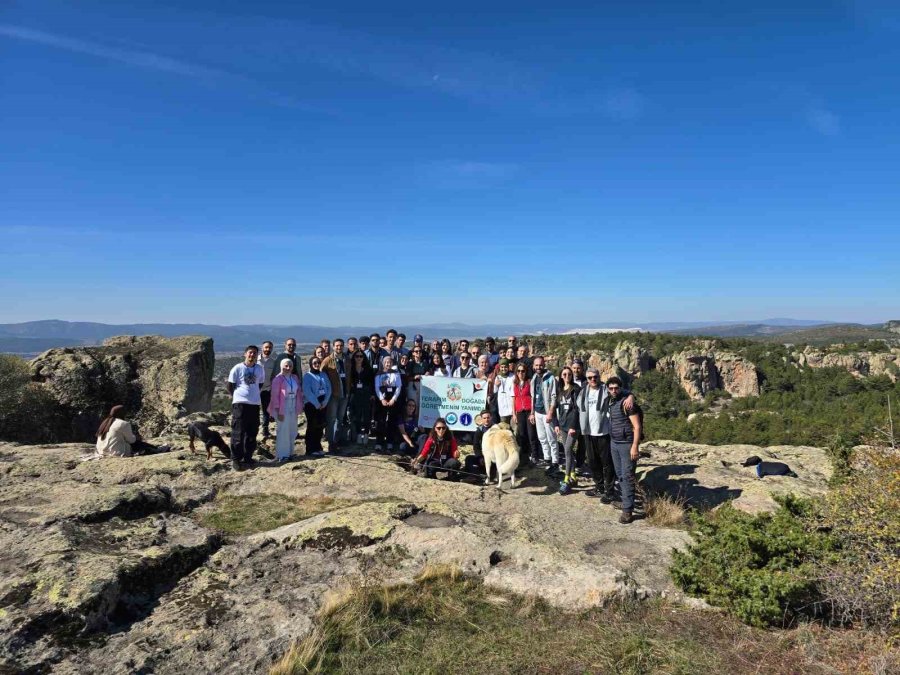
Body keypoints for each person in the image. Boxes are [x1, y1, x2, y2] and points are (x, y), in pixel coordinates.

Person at [577, 368, 636, 502]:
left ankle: (609, 491)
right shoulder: (583, 392)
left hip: (603, 432)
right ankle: (599, 487)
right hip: (588, 432)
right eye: (590, 378)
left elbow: (623, 392)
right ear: (587, 379)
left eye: (595, 377)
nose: (593, 380)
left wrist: (631, 396)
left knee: (607, 463)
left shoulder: (606, 389)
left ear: (599, 377)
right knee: (592, 462)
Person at [606, 376, 642, 523]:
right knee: (620, 474)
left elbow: (637, 427)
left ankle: (627, 511)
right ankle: (625, 502)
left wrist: (635, 446)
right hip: (614, 443)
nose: (614, 390)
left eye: (616, 388)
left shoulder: (627, 404)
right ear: (608, 389)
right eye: (611, 388)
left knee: (627, 476)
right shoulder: (611, 401)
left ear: (620, 388)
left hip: (627, 444)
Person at [227, 345, 265, 470]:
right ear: (245, 354)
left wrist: (252, 395)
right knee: (238, 432)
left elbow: (260, 384)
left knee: (252, 432)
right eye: (250, 353)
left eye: (254, 353)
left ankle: (248, 456)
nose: (252, 355)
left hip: (254, 404)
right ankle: (236, 459)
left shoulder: (259, 369)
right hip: (240, 404)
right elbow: (230, 386)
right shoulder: (237, 368)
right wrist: (239, 397)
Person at [94, 405, 167, 457]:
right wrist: (137, 437)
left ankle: (156, 448)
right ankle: (157, 449)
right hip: (115, 452)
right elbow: (131, 441)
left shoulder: (105, 422)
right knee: (137, 443)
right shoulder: (123, 423)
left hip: (101, 451)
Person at [268, 358, 303, 462]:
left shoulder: (295, 378)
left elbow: (299, 392)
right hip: (283, 406)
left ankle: (290, 452)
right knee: (283, 431)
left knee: (292, 430)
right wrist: (279, 411)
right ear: (281, 366)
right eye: (286, 366)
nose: (288, 368)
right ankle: (283, 455)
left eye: (290, 366)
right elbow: (275, 396)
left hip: (293, 405)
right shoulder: (277, 379)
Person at [530, 356, 560, 474]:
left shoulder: (550, 378)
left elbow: (554, 396)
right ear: (533, 366)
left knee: (552, 438)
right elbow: (533, 397)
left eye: (540, 365)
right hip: (537, 412)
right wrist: (532, 412)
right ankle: (547, 459)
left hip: (547, 413)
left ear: (544, 364)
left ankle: (555, 461)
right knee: (542, 437)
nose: (538, 367)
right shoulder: (534, 378)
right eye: (536, 365)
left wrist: (551, 413)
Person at [555, 366, 582, 494]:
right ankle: (573, 475)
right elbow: (557, 407)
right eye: (564, 374)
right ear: (561, 376)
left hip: (573, 426)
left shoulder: (576, 389)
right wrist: (556, 424)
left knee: (567, 450)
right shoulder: (560, 389)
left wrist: (573, 425)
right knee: (569, 451)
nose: (567, 376)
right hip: (563, 425)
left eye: (569, 374)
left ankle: (566, 480)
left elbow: (577, 409)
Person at [321, 338, 349, 452]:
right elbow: (321, 374)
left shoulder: (347, 359)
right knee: (331, 419)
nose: (339, 347)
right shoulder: (328, 360)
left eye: (341, 345)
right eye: (337, 346)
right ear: (333, 347)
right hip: (333, 395)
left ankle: (336, 440)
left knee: (340, 418)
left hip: (345, 394)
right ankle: (330, 442)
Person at [302, 355, 331, 456]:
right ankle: (310, 449)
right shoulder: (307, 376)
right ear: (310, 364)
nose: (317, 365)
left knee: (320, 426)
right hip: (311, 404)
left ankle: (318, 447)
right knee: (312, 427)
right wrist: (317, 404)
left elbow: (329, 388)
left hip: (323, 403)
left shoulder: (323, 374)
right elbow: (307, 391)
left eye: (318, 363)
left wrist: (325, 402)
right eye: (314, 363)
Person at [373, 355, 402, 451]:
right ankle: (379, 442)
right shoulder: (379, 374)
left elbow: (398, 387)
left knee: (391, 421)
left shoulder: (396, 373)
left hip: (393, 398)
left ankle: (390, 442)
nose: (387, 364)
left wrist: (394, 399)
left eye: (389, 362)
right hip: (382, 399)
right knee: (380, 421)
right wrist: (382, 399)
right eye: (386, 362)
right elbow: (377, 387)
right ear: (383, 363)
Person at [513, 363, 539, 466]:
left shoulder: (529, 382)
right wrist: (514, 414)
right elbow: (513, 398)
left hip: (529, 411)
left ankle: (535, 456)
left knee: (531, 434)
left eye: (522, 371)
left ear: (525, 372)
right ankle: (524, 456)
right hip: (519, 412)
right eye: (518, 371)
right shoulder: (515, 383)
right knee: (522, 434)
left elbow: (532, 397)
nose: (520, 373)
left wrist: (532, 412)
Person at [348, 350, 375, 445]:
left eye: (361, 356)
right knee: (357, 414)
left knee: (366, 414)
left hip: (366, 393)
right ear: (354, 358)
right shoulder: (350, 369)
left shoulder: (368, 369)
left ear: (364, 358)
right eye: (357, 356)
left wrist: (372, 394)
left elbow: (372, 382)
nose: (359, 358)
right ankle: (359, 433)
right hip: (355, 394)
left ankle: (366, 433)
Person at [464, 410, 494, 478]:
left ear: (491, 418)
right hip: (482, 457)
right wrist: (480, 457)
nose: (486, 420)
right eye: (484, 418)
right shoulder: (479, 431)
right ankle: (475, 476)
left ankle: (486, 475)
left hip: (493, 458)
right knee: (468, 459)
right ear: (481, 419)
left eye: (488, 417)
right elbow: (476, 445)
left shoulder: (496, 429)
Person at [571, 359, 588, 473]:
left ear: (582, 369)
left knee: (583, 441)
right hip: (570, 415)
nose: (576, 370)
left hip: (584, 415)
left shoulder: (588, 382)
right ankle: (570, 463)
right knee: (569, 441)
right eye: (574, 368)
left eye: (578, 368)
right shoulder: (567, 379)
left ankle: (580, 463)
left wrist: (629, 395)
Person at [258, 340, 276, 440]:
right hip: (255, 390)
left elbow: (274, 376)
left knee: (266, 411)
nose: (268, 349)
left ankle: (265, 430)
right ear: (262, 348)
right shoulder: (255, 360)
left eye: (269, 348)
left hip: (267, 389)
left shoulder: (273, 362)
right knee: (254, 410)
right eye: (266, 347)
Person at [491, 358, 515, 424]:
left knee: (514, 428)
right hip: (502, 408)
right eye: (502, 367)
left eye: (505, 367)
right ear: (499, 367)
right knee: (504, 428)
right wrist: (496, 385)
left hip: (511, 406)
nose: (503, 369)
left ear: (508, 367)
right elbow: (495, 391)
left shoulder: (513, 376)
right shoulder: (498, 377)